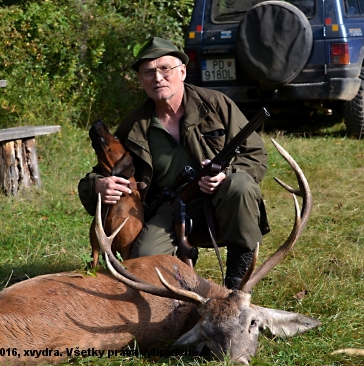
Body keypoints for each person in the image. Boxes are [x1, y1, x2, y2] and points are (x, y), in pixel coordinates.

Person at [78, 37, 269, 290]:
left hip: (222, 201)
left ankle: (237, 282)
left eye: (165, 68)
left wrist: (226, 174)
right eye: (149, 72)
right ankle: (179, 285)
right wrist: (99, 186)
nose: (158, 77)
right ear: (141, 80)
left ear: (182, 71)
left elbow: (255, 154)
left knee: (240, 184)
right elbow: (98, 173)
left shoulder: (216, 105)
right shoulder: (134, 125)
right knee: (143, 262)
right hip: (170, 208)